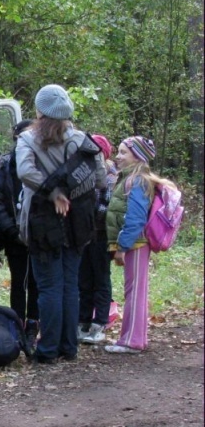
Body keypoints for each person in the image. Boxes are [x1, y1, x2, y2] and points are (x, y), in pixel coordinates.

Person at [16, 85, 106, 364]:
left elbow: (24, 171)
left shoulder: (28, 139)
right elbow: (100, 178)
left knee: (49, 287)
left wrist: (55, 193)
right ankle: (69, 347)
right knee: (70, 284)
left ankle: (48, 350)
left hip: (43, 220)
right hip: (78, 220)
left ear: (39, 111)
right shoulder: (83, 141)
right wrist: (72, 192)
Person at [105, 136, 166, 354]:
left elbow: (136, 217)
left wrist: (122, 246)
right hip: (134, 243)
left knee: (135, 291)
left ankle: (133, 340)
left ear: (138, 157)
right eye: (119, 152)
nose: (118, 156)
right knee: (134, 290)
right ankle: (133, 337)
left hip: (136, 243)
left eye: (124, 152)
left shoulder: (138, 181)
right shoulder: (131, 178)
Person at [0, 119, 40, 346]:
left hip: (38, 233)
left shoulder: (42, 161)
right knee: (19, 281)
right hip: (13, 233)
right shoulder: (4, 164)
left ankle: (34, 325)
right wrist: (10, 230)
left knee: (37, 282)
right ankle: (17, 326)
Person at [78, 134, 117, 345]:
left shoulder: (110, 176)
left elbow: (107, 207)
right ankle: (82, 320)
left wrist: (86, 212)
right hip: (83, 235)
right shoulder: (82, 173)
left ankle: (100, 322)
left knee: (101, 278)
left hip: (101, 235)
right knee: (83, 279)